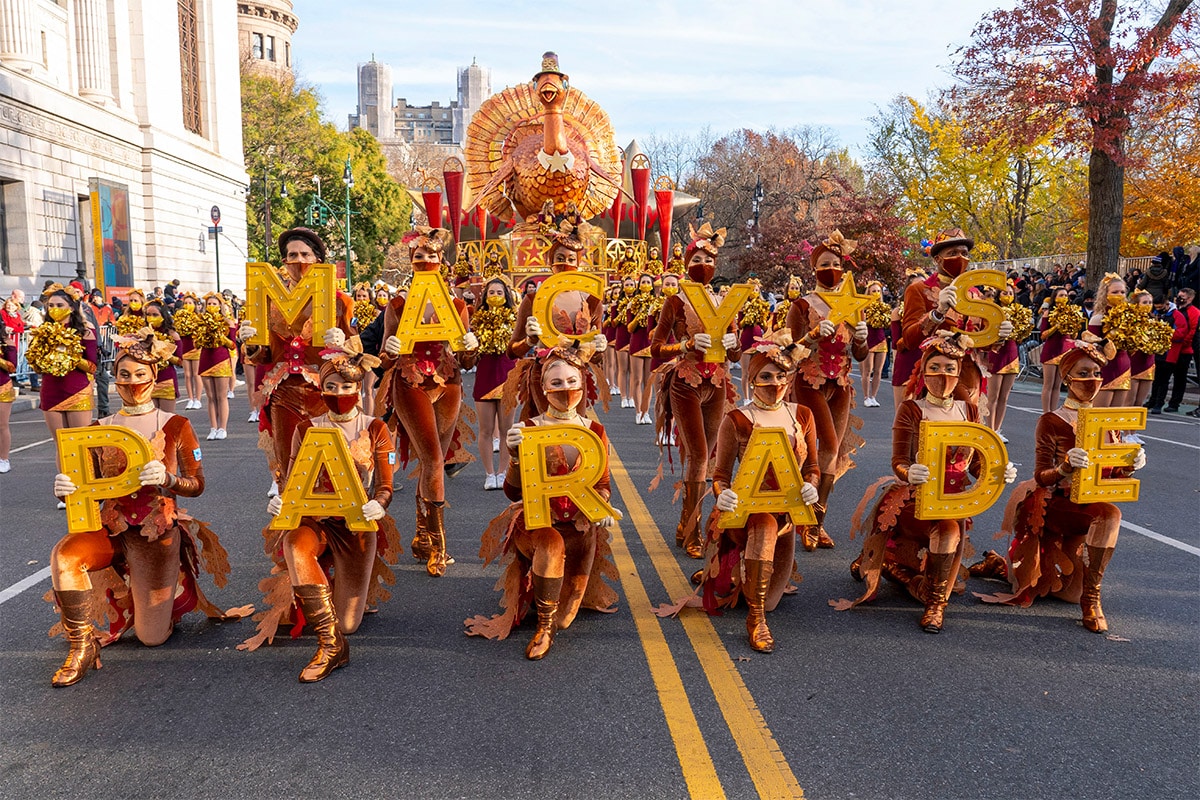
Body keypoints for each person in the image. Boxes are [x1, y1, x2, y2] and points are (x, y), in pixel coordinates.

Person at [46, 329, 243, 686]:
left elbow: (197, 485)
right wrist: (64, 489)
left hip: (157, 533)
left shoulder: (177, 425)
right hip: (111, 528)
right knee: (65, 555)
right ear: (114, 380)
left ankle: (170, 596)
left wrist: (169, 480)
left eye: (139, 374)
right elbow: (83, 486)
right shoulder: (97, 428)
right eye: (124, 375)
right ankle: (81, 646)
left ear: (154, 377)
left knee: (151, 637)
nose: (132, 382)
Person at [240, 338, 401, 681]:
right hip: (315, 520)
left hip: (356, 523)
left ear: (359, 388)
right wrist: (281, 500)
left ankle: (334, 606)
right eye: (330, 386)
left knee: (350, 622)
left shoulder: (375, 427)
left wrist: (380, 504)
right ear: (320, 388)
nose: (338, 392)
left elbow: (386, 484)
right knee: (295, 544)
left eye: (345, 385)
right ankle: (331, 645)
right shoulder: (306, 428)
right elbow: (294, 479)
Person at [836, 332, 1018, 632]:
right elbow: (898, 462)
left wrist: (996, 472)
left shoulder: (969, 410)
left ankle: (922, 591)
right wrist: (910, 473)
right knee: (943, 532)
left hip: (954, 500)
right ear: (923, 371)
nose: (942, 376)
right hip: (915, 499)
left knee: (947, 535)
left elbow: (974, 462)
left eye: (949, 369)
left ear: (959, 373)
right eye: (935, 368)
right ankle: (932, 600)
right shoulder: (911, 409)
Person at [977, 338, 1146, 632]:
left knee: (1067, 593)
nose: (1091, 380)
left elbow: (1112, 475)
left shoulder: (1108, 421)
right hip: (1057, 505)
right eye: (1082, 373)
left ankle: (1004, 566)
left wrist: (1130, 463)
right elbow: (1042, 475)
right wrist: (1065, 467)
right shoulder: (1052, 421)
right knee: (1109, 515)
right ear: (1066, 377)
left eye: (1096, 373)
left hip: (1087, 503)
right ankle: (1091, 601)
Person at [465, 344, 619, 660]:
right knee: (550, 547)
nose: (566, 389)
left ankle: (549, 604)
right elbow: (512, 493)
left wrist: (603, 507)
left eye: (572, 381)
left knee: (567, 618)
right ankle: (543, 628)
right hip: (538, 524)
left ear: (583, 383)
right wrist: (514, 456)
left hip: (578, 528)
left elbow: (603, 485)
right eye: (557, 383)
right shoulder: (529, 430)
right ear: (544, 387)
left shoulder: (596, 431)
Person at [674, 333, 819, 653]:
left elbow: (813, 468)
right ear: (752, 380)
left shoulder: (803, 415)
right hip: (747, 513)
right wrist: (721, 494)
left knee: (772, 600)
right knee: (763, 530)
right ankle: (755, 620)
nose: (775, 383)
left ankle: (737, 578)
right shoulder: (737, 418)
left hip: (787, 511)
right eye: (766, 376)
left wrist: (811, 486)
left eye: (782, 375)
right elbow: (721, 475)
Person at [376, 227, 480, 577]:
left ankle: (422, 534)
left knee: (435, 460)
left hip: (448, 382)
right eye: (418, 256)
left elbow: (467, 362)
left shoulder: (457, 305)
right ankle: (438, 545)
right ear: (411, 262)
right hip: (410, 381)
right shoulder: (398, 304)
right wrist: (389, 351)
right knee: (434, 458)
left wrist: (471, 344)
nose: (425, 261)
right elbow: (384, 356)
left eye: (431, 256)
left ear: (441, 261)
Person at [650, 223, 742, 558]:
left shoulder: (725, 301)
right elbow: (656, 347)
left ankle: (683, 524)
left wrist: (734, 344)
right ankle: (692, 531)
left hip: (716, 383)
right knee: (699, 455)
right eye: (697, 257)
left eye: (709, 258)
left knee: (707, 456)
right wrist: (685, 344)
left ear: (716, 265)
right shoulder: (674, 301)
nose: (703, 263)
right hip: (686, 382)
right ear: (687, 262)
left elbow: (736, 354)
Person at [238, 228, 354, 493]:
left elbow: (354, 356)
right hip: (284, 392)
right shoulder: (266, 300)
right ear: (283, 261)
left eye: (305, 254)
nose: (298, 260)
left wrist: (343, 343)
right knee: (289, 465)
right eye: (292, 255)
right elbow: (263, 356)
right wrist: (252, 343)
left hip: (325, 392)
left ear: (318, 261)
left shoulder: (339, 302)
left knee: (330, 468)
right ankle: (293, 529)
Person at [785, 230, 870, 550]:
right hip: (809, 382)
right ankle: (805, 520)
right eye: (824, 264)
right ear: (814, 269)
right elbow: (787, 352)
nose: (830, 269)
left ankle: (815, 522)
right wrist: (811, 337)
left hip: (842, 385)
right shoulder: (803, 305)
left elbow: (860, 355)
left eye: (836, 263)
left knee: (833, 455)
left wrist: (861, 339)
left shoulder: (854, 304)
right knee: (828, 447)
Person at [899, 228, 1014, 405]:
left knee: (968, 428)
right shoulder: (918, 290)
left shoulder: (975, 294)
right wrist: (937, 313)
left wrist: (999, 335)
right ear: (938, 259)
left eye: (964, 253)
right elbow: (909, 339)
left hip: (970, 378)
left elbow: (981, 341)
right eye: (952, 253)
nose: (960, 257)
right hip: (935, 377)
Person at [29, 284, 97, 438]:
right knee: (60, 444)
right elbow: (37, 367)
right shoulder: (43, 331)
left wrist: (70, 356)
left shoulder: (85, 329)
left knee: (80, 444)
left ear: (72, 307)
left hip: (76, 390)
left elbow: (92, 367)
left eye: (60, 305)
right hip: (50, 391)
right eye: (51, 305)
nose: (54, 309)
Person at [471, 276, 518, 489]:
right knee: (486, 429)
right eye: (492, 293)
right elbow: (469, 353)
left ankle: (503, 472)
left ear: (506, 296)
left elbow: (520, 346)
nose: (496, 296)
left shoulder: (514, 319)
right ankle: (490, 474)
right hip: (485, 374)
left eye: (500, 293)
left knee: (507, 429)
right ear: (485, 296)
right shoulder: (477, 320)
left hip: (507, 373)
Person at [1148, 287, 1199, 413]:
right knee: (1160, 377)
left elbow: (1191, 331)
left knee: (1179, 378)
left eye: (1183, 296)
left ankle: (1174, 403)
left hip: (1184, 350)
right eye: (1179, 296)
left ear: (1190, 298)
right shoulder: (1174, 310)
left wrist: (1182, 343)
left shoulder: (1194, 312)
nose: (1179, 298)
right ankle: (1155, 400)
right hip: (1169, 350)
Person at [1087, 274, 1132, 408]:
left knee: (1116, 419)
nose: (1119, 295)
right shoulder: (1098, 318)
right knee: (1099, 416)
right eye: (1115, 292)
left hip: (1124, 366)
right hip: (1104, 368)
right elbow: (1091, 348)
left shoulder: (1131, 318)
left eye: (1122, 292)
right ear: (1105, 294)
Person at [1038, 287, 1085, 413]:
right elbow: (1043, 335)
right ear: (1055, 297)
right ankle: (1045, 412)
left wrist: (1074, 327)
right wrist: (1056, 326)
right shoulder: (1049, 312)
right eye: (1061, 295)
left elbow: (1073, 336)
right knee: (1048, 385)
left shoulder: (1071, 312)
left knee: (1057, 386)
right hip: (1051, 352)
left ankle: (1053, 412)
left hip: (1065, 352)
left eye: (1065, 295)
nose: (1064, 298)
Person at [197, 293, 235, 440]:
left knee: (221, 396)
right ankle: (213, 427)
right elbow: (196, 343)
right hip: (206, 359)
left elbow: (232, 345)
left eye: (214, 304)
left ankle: (222, 428)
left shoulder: (227, 322)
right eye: (209, 304)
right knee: (210, 397)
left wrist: (221, 337)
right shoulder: (201, 321)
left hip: (221, 359)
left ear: (220, 306)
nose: (211, 307)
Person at [627, 271, 661, 424]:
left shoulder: (657, 303)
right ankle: (638, 411)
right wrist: (639, 314)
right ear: (638, 285)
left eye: (648, 282)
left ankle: (645, 412)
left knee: (648, 381)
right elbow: (629, 328)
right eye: (643, 283)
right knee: (636, 379)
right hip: (636, 342)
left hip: (650, 343)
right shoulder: (631, 303)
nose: (646, 285)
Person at [142, 298, 181, 413]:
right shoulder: (143, 334)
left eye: (155, 314)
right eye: (148, 314)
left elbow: (180, 361)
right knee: (150, 422)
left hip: (166, 381)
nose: (151, 317)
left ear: (163, 315)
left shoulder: (172, 335)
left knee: (166, 421)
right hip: (148, 381)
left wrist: (164, 352)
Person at [860, 280, 890, 408]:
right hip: (869, 340)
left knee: (878, 371)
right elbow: (860, 322)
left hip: (881, 339)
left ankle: (873, 396)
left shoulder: (884, 307)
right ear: (869, 292)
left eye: (878, 291)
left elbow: (888, 324)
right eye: (874, 291)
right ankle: (866, 397)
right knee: (868, 370)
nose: (876, 293)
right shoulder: (864, 307)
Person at [0, 317, 14, 473]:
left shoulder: (6, 342)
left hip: (2, 387)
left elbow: (12, 366)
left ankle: (4, 458)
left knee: (2, 425)